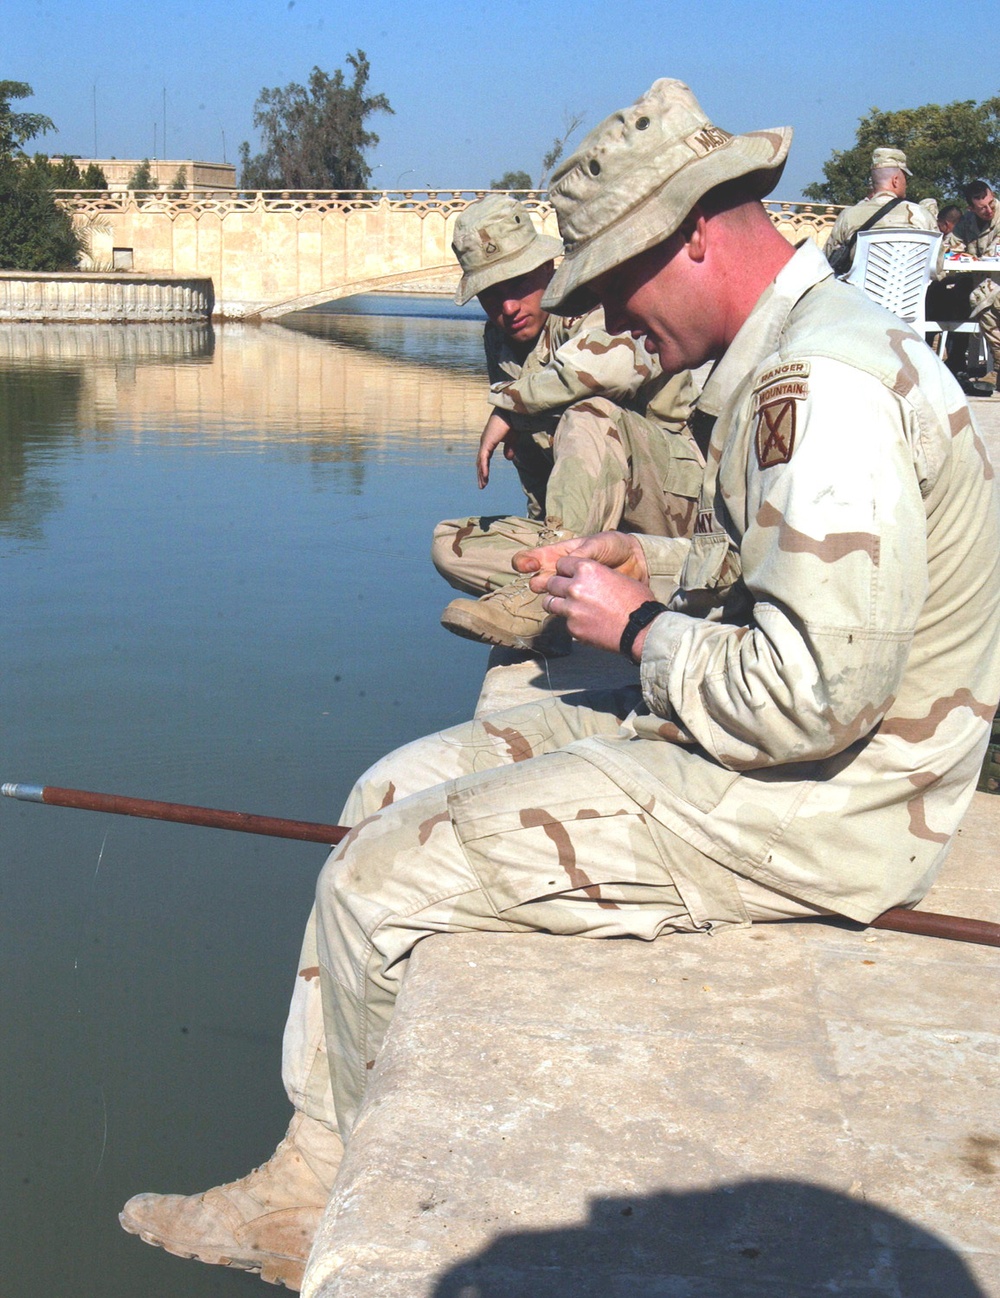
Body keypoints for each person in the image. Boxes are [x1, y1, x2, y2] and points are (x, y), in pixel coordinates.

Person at [119, 79, 1000, 1292]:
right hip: (784, 755)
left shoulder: (819, 391)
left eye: (616, 282)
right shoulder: (811, 349)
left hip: (828, 810)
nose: (610, 319)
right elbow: (799, 582)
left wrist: (637, 627)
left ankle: (331, 1202)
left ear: (693, 230)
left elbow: (810, 696)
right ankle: (309, 1162)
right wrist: (663, 562)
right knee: (384, 788)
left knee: (382, 881)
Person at [434, 194, 701, 653]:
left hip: (672, 504)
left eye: (517, 283)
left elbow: (607, 372)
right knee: (449, 543)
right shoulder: (501, 340)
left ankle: (543, 600)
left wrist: (510, 405)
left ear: (548, 267)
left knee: (587, 413)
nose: (508, 306)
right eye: (490, 294)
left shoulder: (592, 303)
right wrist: (543, 520)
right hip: (593, 527)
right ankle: (560, 588)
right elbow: (535, 458)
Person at [823, 146, 936, 274]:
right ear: (896, 181)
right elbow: (937, 268)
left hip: (858, 293)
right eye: (905, 177)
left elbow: (827, 259)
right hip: (911, 292)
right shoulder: (922, 216)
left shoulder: (848, 216)